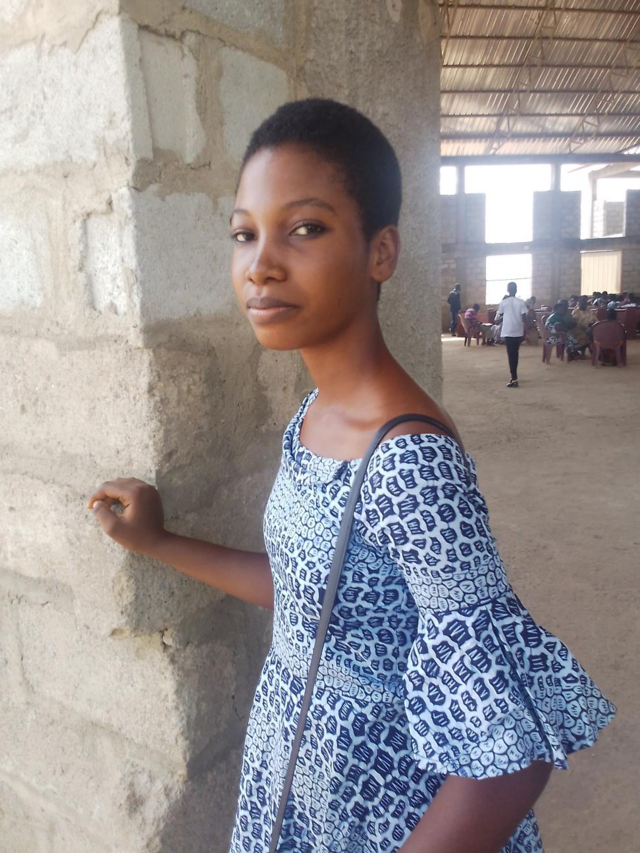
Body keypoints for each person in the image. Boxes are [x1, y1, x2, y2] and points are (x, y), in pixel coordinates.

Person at [86, 99, 615, 853]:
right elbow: (315, 597)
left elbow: (511, 757)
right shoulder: (314, 414)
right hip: (300, 788)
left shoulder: (410, 461)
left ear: (381, 252)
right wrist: (159, 543)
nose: (260, 265)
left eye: (305, 228)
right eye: (244, 233)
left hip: (386, 813)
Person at [495, 281, 528, 387]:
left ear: (508, 290)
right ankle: (514, 376)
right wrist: (526, 331)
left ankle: (514, 378)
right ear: (516, 290)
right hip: (518, 331)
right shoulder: (521, 302)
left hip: (508, 331)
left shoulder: (503, 302)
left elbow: (497, 319)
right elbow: (524, 318)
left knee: (511, 354)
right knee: (515, 354)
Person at [568, 295, 596, 360]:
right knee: (589, 332)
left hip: (591, 327)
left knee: (599, 331)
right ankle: (591, 349)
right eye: (582, 303)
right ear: (579, 303)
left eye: (585, 303)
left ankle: (597, 350)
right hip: (580, 329)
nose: (584, 304)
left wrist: (595, 325)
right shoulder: (575, 312)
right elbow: (575, 324)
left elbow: (595, 319)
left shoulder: (589, 310)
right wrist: (586, 326)